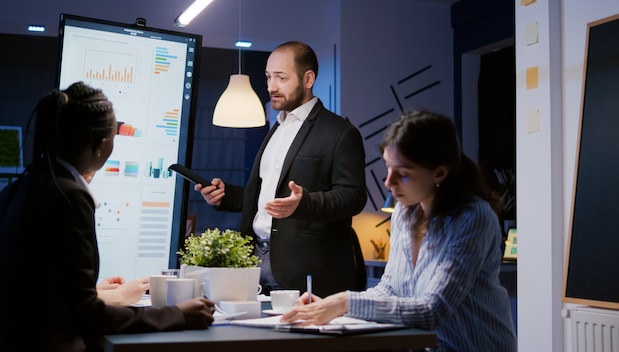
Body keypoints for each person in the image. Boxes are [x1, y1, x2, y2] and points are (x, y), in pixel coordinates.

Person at [0, 81, 214, 351]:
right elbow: (82, 315)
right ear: (101, 146)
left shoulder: (22, 186)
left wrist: (96, 291)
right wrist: (177, 315)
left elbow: (37, 291)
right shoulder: (69, 196)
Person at [281, 110, 517, 351]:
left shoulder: (472, 218)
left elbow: (431, 310)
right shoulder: (406, 212)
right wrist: (330, 304)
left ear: (440, 173)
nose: (388, 182)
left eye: (402, 174)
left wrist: (344, 303)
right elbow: (390, 288)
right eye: (388, 167)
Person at [196, 41, 367, 297]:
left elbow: (354, 196)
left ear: (308, 78)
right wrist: (226, 196)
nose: (271, 86)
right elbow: (266, 198)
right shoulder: (276, 127)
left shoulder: (340, 133)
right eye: (268, 77)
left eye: (281, 78)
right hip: (254, 262)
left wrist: (305, 203)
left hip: (304, 270)